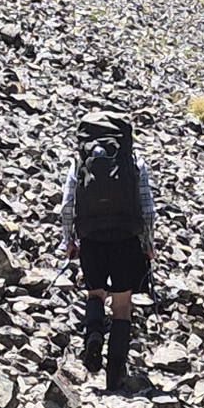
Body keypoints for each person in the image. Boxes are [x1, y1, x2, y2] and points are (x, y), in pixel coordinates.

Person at [62, 112, 155, 393]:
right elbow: (148, 207)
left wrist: (69, 240)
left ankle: (93, 336)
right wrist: (148, 242)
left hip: (92, 237)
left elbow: (68, 204)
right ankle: (115, 374)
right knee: (123, 305)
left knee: (95, 293)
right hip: (126, 237)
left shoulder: (80, 162)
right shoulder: (133, 162)